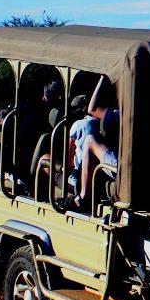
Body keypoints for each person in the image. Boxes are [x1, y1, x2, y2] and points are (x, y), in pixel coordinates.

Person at [57, 80, 118, 214]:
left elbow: (68, 159)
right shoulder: (103, 123)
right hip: (101, 173)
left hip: (79, 175)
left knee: (89, 140)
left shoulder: (115, 116)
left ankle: (82, 197)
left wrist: (103, 77)